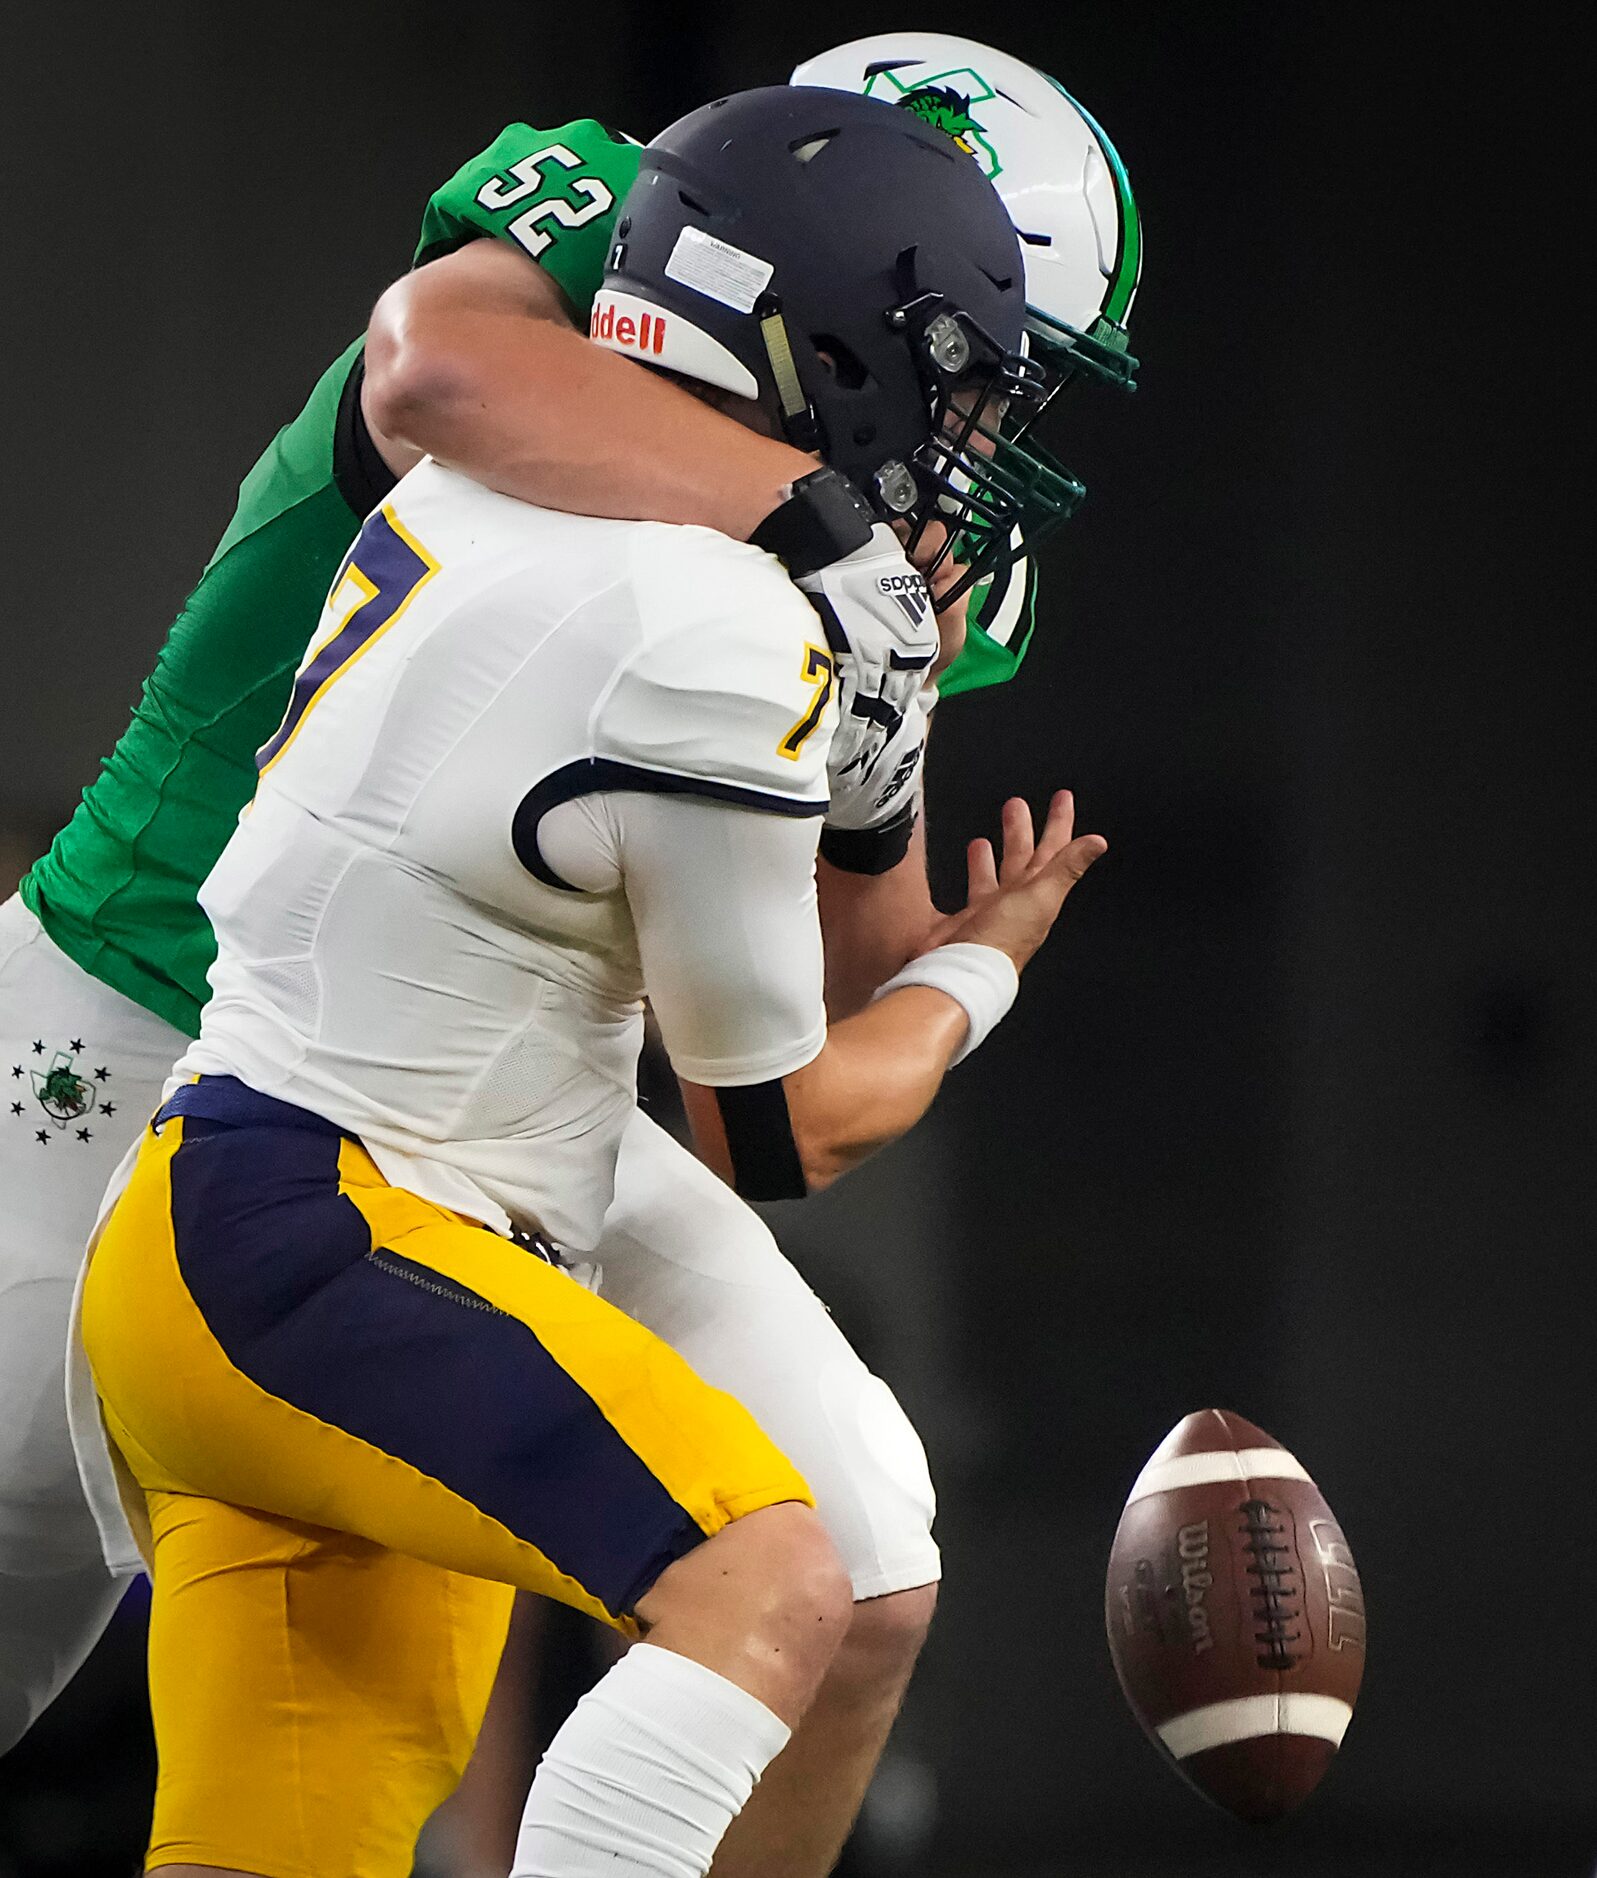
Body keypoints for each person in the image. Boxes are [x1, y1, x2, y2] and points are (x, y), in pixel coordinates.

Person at [0, 30, 1140, 1873]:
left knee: (852, 1574)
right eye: (981, 367)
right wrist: (803, 519)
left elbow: (809, 992)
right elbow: (433, 368)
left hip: (491, 1096)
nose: (993, 433)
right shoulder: (627, 268)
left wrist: (887, 725)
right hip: (154, 995)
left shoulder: (865, 523)